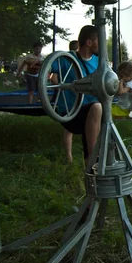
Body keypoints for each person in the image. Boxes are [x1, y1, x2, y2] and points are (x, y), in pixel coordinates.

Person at [51, 25, 102, 164]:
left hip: (90, 111)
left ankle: (90, 170)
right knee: (96, 108)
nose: (102, 44)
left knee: (98, 111)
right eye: (99, 40)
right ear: (89, 42)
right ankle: (93, 159)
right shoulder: (65, 59)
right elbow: (45, 68)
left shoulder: (99, 62)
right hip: (70, 113)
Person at [62, 40, 79, 162]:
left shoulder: (63, 59)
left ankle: (69, 157)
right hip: (79, 98)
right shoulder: (79, 60)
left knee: (68, 130)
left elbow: (54, 79)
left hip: (66, 98)